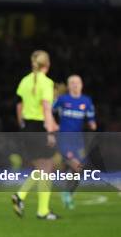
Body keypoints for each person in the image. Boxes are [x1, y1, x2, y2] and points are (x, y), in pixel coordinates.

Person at [12, 50, 60, 220]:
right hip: (40, 126)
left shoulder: (24, 81)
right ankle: (42, 210)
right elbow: (46, 108)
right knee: (47, 168)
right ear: (47, 64)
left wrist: (23, 126)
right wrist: (50, 131)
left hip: (28, 127)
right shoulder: (47, 82)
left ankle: (21, 197)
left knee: (42, 168)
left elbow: (19, 107)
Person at [53, 75, 96, 209]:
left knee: (79, 169)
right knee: (76, 165)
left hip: (78, 141)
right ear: (68, 86)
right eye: (72, 83)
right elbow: (48, 112)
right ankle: (66, 193)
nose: (75, 85)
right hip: (64, 139)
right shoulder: (62, 100)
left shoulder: (87, 101)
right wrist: (53, 125)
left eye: (77, 82)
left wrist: (92, 124)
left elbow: (91, 119)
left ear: (82, 85)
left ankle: (68, 193)